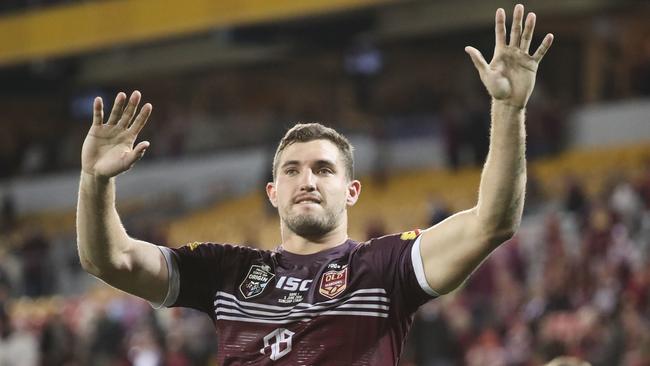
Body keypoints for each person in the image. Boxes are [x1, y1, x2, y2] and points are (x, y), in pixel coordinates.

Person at [76, 4, 553, 365]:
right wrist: (95, 181)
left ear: (352, 191)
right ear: (272, 193)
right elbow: (108, 259)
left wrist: (509, 111)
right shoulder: (224, 271)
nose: (306, 180)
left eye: (324, 169)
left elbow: (493, 222)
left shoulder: (384, 268)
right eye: (292, 170)